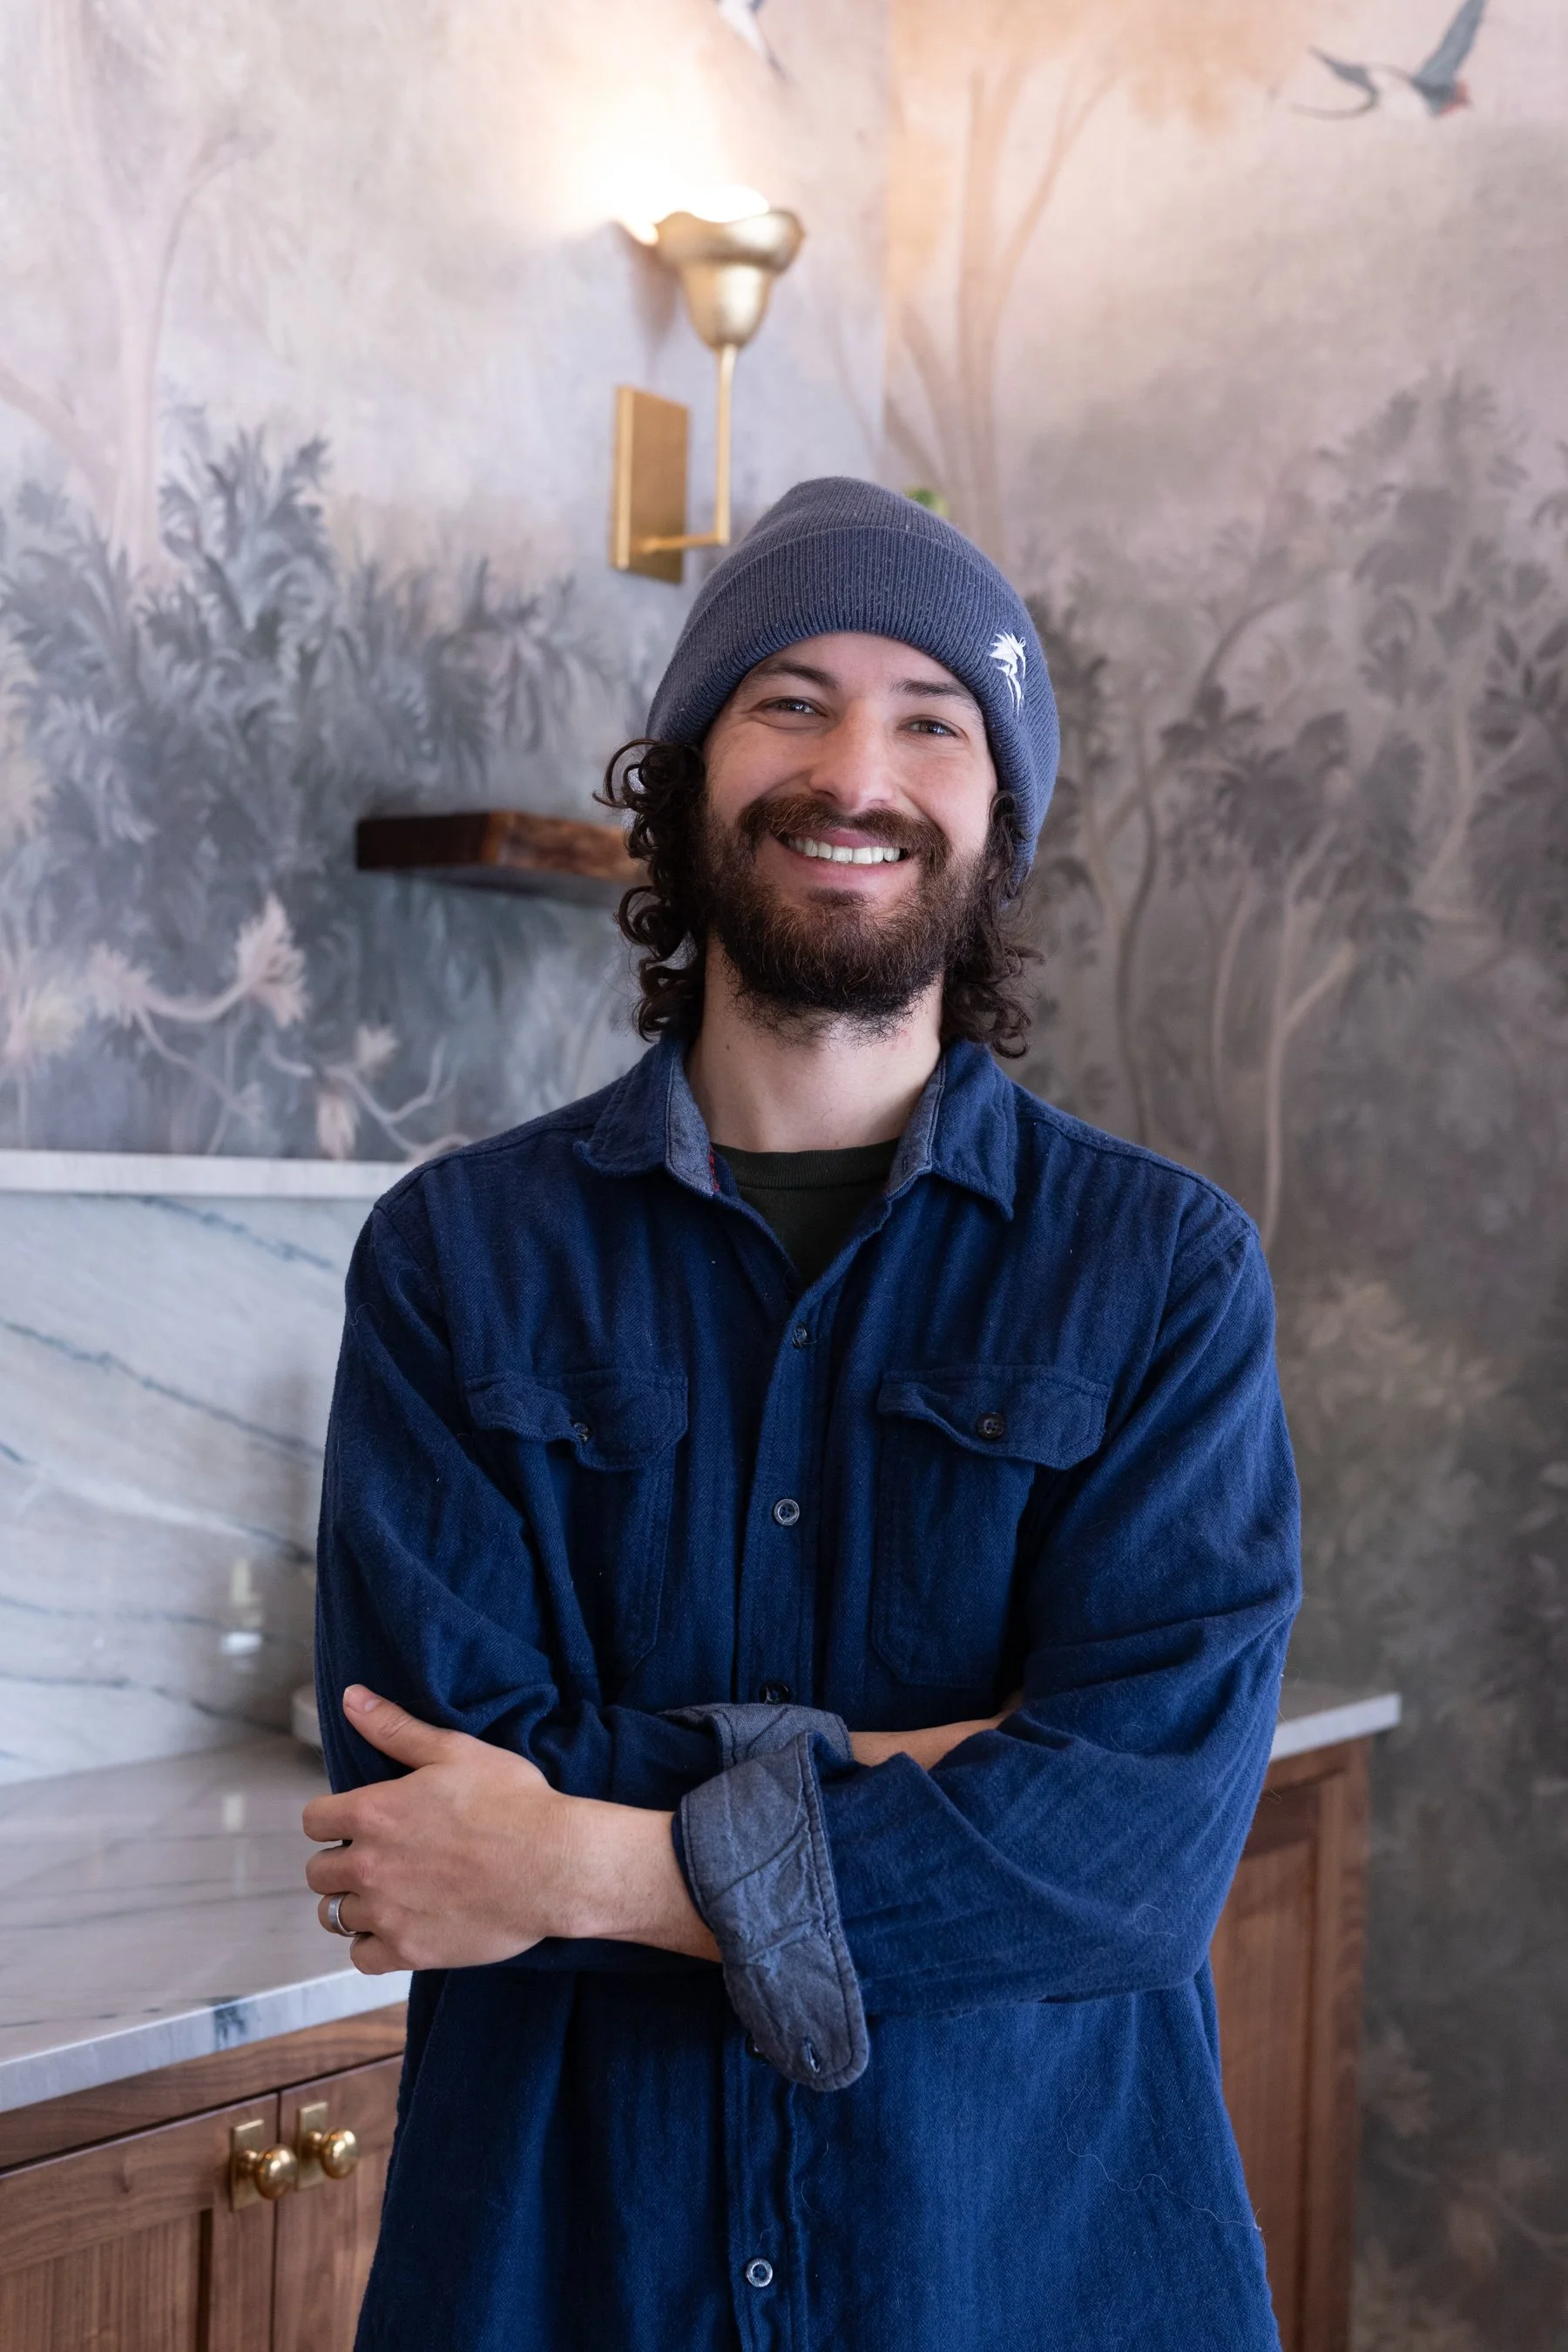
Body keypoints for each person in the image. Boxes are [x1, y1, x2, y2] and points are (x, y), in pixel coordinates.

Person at [306, 477, 1300, 2351]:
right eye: (790, 702)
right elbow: (428, 1802)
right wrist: (962, 1771)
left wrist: (585, 1859)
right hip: (564, 2275)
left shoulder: (1163, 1271)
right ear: (686, 775)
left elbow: (1131, 1853)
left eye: (931, 722)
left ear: (996, 819)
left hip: (1019, 2276)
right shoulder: (454, 1259)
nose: (856, 772)